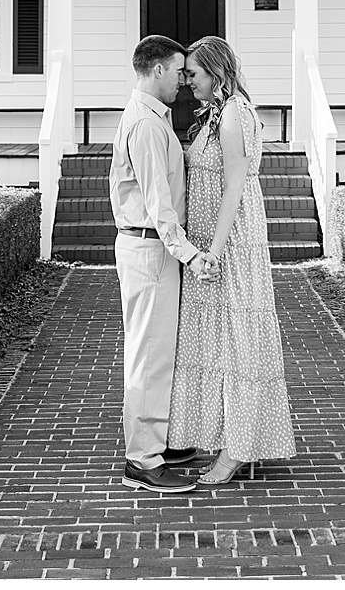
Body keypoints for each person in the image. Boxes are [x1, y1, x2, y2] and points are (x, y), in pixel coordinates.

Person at [167, 34, 297, 484]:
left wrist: (214, 252)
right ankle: (224, 438)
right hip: (209, 240)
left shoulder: (234, 113)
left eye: (193, 74)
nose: (188, 82)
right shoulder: (215, 113)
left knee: (237, 342)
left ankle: (239, 449)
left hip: (231, 242)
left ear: (215, 72)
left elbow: (235, 185)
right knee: (217, 342)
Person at [108, 34, 216, 494]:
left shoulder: (151, 117)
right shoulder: (146, 125)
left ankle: (157, 442)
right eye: (177, 71)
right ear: (157, 70)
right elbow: (158, 203)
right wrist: (189, 254)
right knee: (149, 356)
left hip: (152, 249)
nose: (183, 81)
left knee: (157, 352)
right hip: (150, 248)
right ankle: (143, 460)